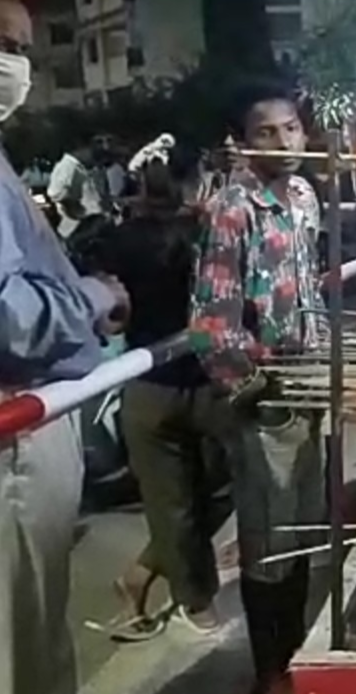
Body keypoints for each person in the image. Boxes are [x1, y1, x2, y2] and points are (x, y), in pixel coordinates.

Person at [0, 2, 131, 691]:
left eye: (20, 50)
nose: (13, 66)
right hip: (13, 433)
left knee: (36, 623)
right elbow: (8, 317)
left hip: (30, 420)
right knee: (21, 646)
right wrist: (92, 297)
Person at [189, 78, 325, 694]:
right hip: (265, 395)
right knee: (267, 541)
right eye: (267, 131)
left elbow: (310, 287)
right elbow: (213, 319)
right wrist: (251, 390)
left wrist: (320, 369)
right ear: (245, 142)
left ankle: (294, 653)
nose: (284, 140)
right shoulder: (231, 208)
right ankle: (269, 669)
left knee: (298, 532)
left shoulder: (302, 196)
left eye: (291, 127)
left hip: (309, 389)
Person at [98, 152, 232, 640]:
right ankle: (192, 600)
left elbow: (110, 314)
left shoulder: (117, 239)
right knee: (211, 494)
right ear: (194, 184)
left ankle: (141, 577)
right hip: (201, 382)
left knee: (175, 503)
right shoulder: (205, 234)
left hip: (150, 385)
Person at [48, 133, 113, 238]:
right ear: (82, 148)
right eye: (98, 142)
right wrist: (79, 213)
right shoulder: (67, 166)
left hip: (96, 228)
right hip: (78, 232)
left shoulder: (88, 167)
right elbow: (56, 193)